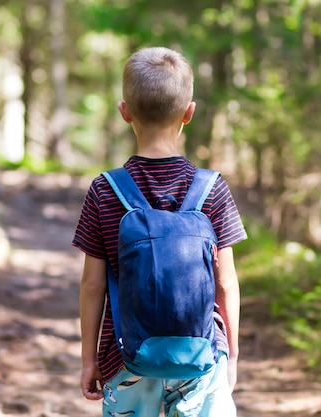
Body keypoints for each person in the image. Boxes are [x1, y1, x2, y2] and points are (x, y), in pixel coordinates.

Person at [72, 46, 247, 416]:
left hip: (126, 356)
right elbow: (226, 281)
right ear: (189, 112)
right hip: (202, 355)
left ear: (124, 112)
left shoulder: (105, 190)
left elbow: (92, 285)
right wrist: (230, 356)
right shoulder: (211, 188)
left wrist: (89, 359)